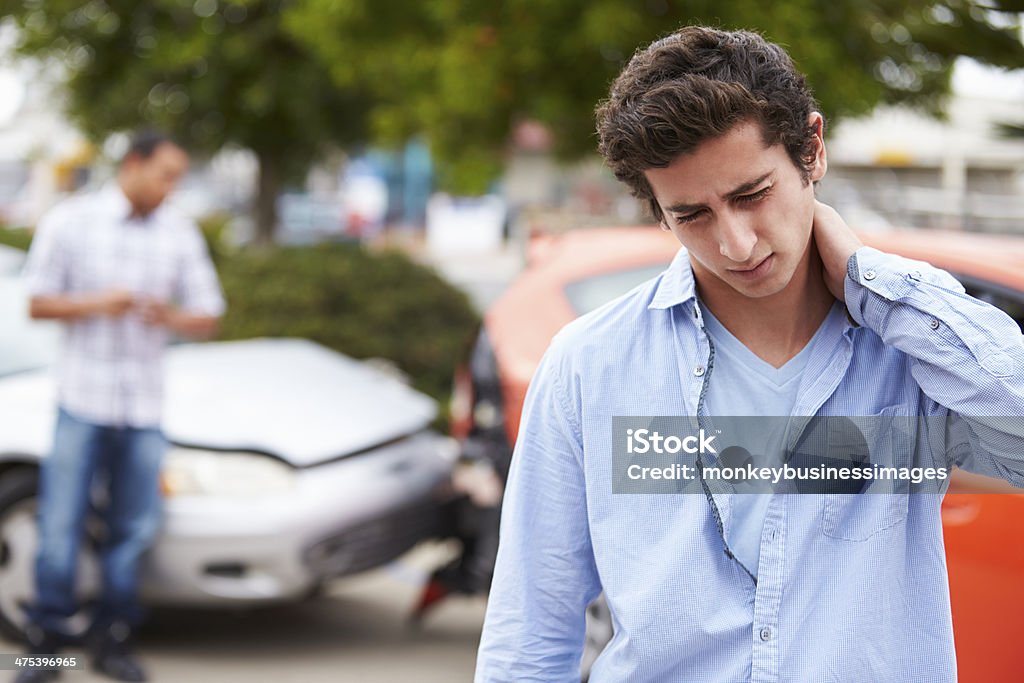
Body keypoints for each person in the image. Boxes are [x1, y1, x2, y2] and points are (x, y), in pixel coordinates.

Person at [475, 27, 1024, 682]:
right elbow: (530, 633)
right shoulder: (588, 367)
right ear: (658, 212)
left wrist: (871, 281)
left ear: (811, 149)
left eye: (751, 195)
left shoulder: (908, 354)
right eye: (693, 215)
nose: (735, 244)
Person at [15, 131, 225, 683]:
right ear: (133, 165)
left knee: (132, 530)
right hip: (81, 399)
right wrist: (99, 303)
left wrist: (171, 318)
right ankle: (47, 653)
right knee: (60, 526)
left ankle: (114, 641)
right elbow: (35, 302)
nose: (171, 188)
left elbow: (209, 314)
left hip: (144, 407)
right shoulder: (72, 220)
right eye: (165, 174)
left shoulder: (178, 231)